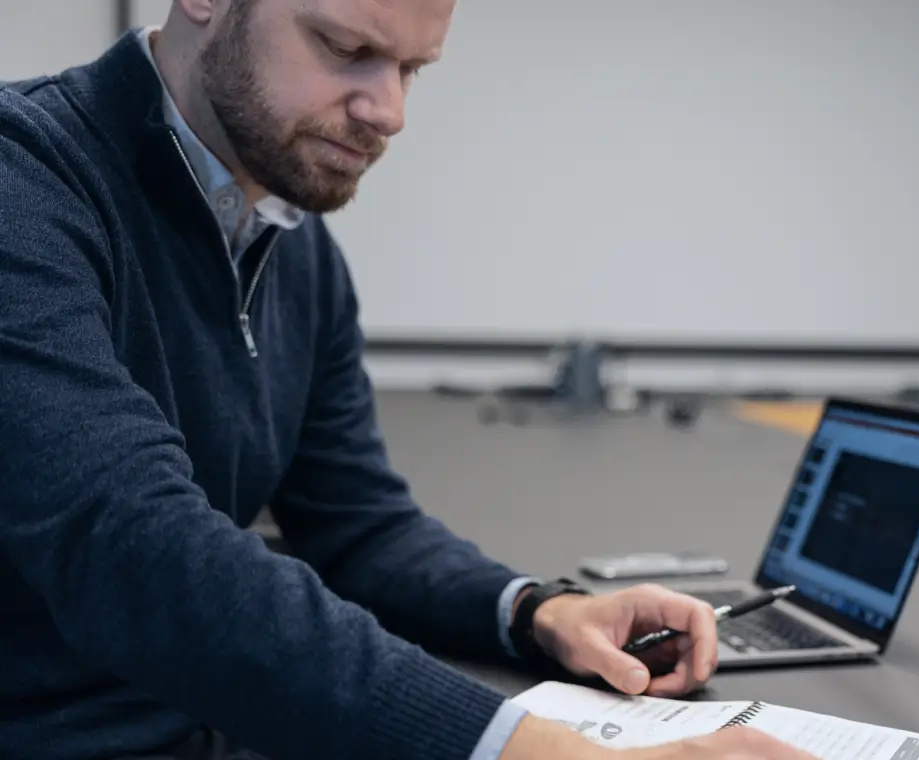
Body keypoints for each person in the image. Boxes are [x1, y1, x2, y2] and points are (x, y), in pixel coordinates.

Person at [0, 1, 817, 758]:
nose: (389, 112)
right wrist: (543, 751)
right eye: (347, 48)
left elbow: (360, 524)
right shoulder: (24, 180)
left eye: (411, 69)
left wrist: (541, 612)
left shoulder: (297, 249)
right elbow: (134, 547)